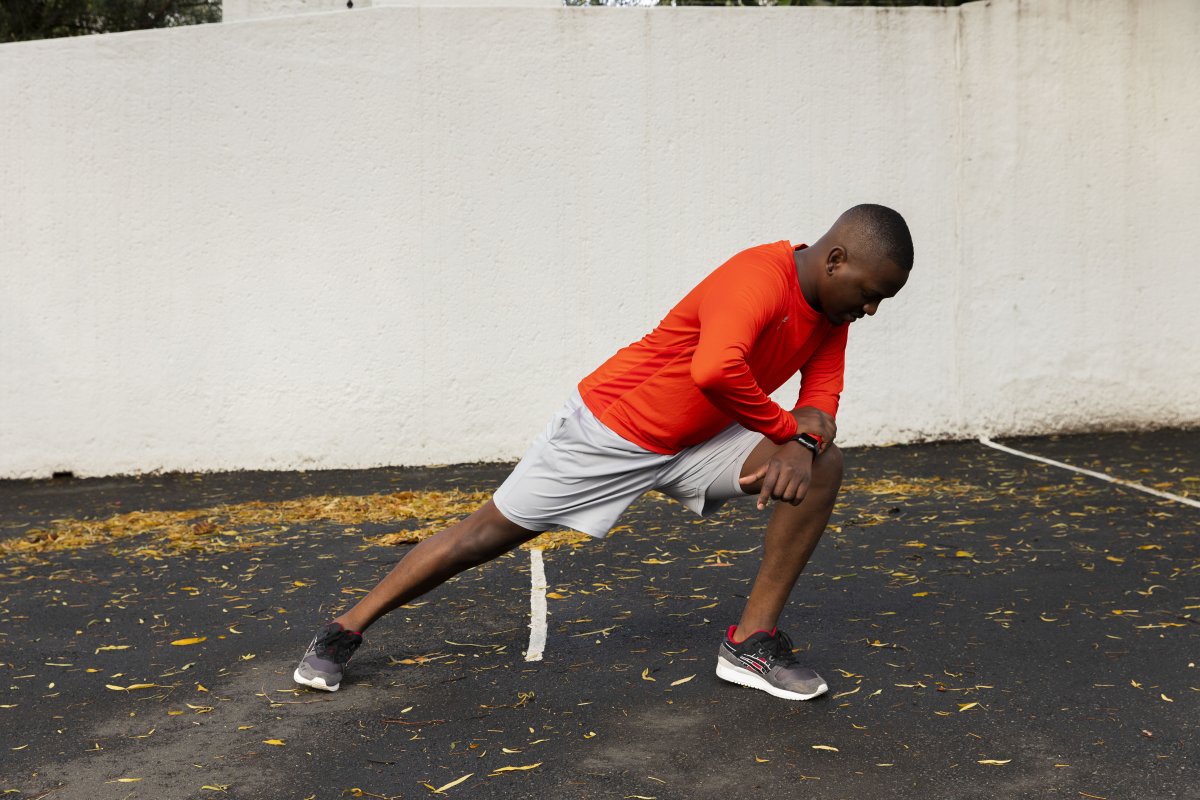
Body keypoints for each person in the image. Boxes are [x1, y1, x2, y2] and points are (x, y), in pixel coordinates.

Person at [294, 203, 913, 700]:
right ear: (835, 260)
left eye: (882, 299)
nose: (871, 309)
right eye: (870, 291)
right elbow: (716, 370)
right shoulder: (757, 277)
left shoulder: (832, 317)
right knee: (483, 537)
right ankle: (342, 630)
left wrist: (803, 441)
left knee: (825, 464)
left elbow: (822, 396)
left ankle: (750, 643)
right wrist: (789, 432)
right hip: (610, 430)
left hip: (700, 442)